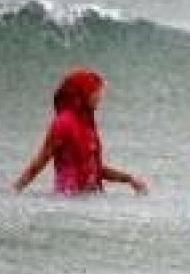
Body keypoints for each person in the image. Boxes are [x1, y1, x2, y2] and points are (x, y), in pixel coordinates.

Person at [11, 68, 148, 196]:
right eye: (95, 92)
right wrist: (15, 191)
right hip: (68, 198)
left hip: (89, 197)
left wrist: (130, 179)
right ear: (82, 93)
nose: (100, 97)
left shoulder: (87, 124)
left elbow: (95, 169)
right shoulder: (62, 123)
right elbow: (40, 162)